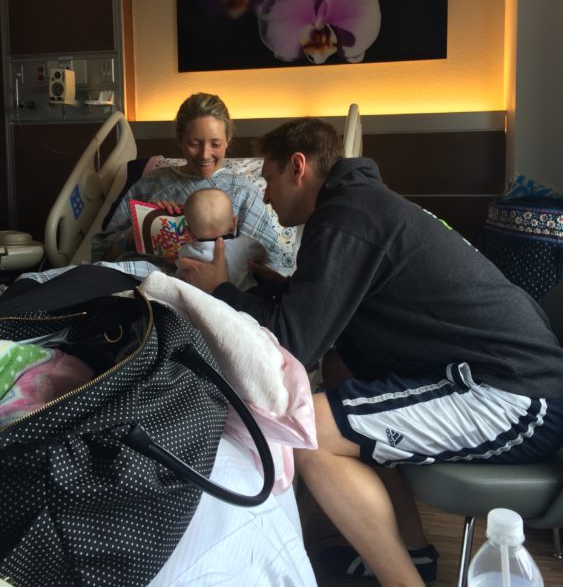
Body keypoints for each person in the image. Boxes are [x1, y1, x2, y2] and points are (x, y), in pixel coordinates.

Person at [177, 117, 563, 587]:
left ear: (297, 167)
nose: (264, 195)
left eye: (268, 178)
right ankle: (413, 551)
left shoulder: (346, 218)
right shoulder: (359, 206)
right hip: (498, 376)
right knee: (341, 371)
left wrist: (220, 290)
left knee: (307, 433)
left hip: (514, 394)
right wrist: (272, 285)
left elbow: (294, 340)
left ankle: (403, 581)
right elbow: (324, 309)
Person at [91, 93, 283, 270]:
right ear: (180, 139)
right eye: (194, 143)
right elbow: (100, 259)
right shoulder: (150, 184)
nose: (205, 154)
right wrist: (138, 231)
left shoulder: (243, 193)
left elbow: (270, 267)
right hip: (135, 284)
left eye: (215, 144)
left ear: (228, 139)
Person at [176, 188, 267, 290]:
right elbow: (263, 255)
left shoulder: (185, 251)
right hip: (240, 300)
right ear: (234, 222)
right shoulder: (245, 245)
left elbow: (180, 274)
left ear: (190, 232)